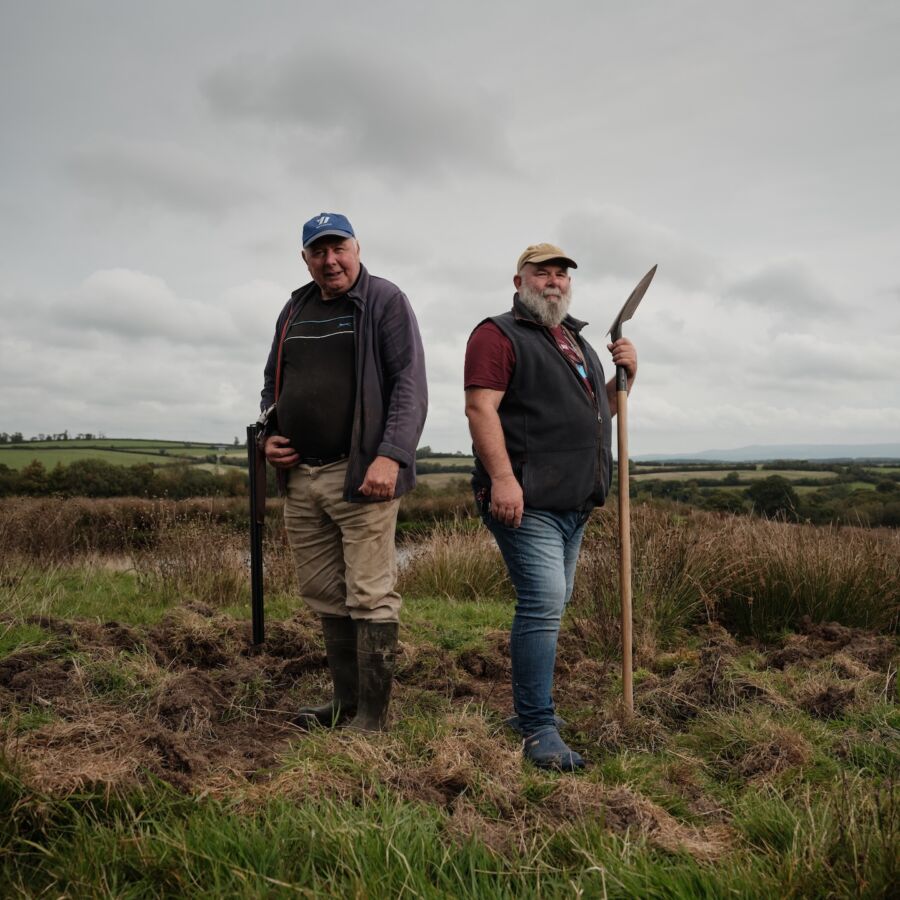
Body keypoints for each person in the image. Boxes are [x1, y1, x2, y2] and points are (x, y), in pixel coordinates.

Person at [464, 243, 637, 771]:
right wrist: (502, 480)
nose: (554, 282)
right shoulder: (497, 334)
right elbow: (480, 407)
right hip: (527, 498)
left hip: (573, 501)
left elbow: (598, 414)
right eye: (542, 273)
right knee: (543, 600)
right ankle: (537, 726)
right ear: (519, 281)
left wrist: (625, 378)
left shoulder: (576, 342)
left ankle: (528, 715)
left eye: (561, 274)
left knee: (551, 605)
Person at [260, 212, 427, 732]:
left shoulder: (384, 301)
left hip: (361, 475)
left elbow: (409, 384)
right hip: (301, 479)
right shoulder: (295, 307)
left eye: (339, 249)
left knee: (369, 592)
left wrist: (391, 454)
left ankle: (373, 718)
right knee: (325, 592)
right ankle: (344, 703)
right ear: (305, 257)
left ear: (357, 248)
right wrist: (270, 435)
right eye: (318, 251)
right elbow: (272, 383)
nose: (330, 261)